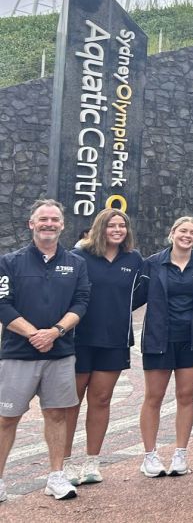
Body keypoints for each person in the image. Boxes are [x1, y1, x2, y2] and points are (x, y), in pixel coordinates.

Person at [0, 199, 91, 502]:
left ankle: (56, 477)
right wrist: (34, 334)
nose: (48, 224)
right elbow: (2, 304)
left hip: (59, 353)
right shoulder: (9, 262)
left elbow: (81, 302)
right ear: (32, 224)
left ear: (62, 225)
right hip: (18, 353)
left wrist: (55, 332)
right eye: (43, 219)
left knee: (56, 415)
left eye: (54, 219)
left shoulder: (76, 263)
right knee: (6, 418)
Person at [64, 209, 144, 486]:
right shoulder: (79, 257)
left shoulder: (134, 259)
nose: (118, 230)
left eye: (123, 225)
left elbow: (139, 294)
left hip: (114, 340)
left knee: (101, 400)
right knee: (71, 402)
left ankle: (91, 462)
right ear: (100, 227)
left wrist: (119, 311)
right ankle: (64, 463)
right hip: (79, 339)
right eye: (112, 225)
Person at [139, 216, 193, 480]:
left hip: (192, 339)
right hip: (158, 338)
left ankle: (180, 453)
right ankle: (150, 455)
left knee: (186, 395)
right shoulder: (152, 263)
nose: (187, 236)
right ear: (172, 233)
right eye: (183, 231)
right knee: (154, 396)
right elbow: (132, 296)